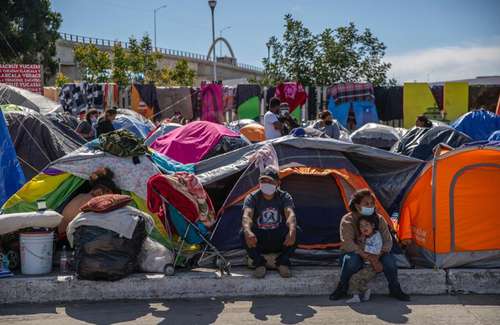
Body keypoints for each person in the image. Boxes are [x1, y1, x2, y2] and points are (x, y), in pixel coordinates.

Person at [329, 189, 410, 301]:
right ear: (357, 206)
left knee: (390, 262)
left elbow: (388, 241)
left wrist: (377, 255)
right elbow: (347, 242)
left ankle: (395, 289)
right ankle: (342, 287)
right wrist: (366, 255)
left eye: (372, 203)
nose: (370, 206)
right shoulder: (348, 219)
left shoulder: (379, 219)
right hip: (356, 253)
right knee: (351, 261)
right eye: (366, 204)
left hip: (377, 253)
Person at [242, 167, 297, 278]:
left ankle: (282, 262)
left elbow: (290, 214)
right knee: (243, 232)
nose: (266, 184)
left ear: (278, 183)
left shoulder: (284, 196)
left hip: (278, 238)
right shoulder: (252, 197)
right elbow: (246, 216)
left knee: (296, 230)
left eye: (270, 181)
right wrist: (248, 231)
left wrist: (292, 231)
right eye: (263, 181)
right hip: (260, 238)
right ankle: (259, 263)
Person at [58, 168, 119, 237]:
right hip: (67, 236)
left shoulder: (80, 195)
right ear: (100, 191)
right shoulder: (93, 203)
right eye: (108, 193)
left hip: (62, 232)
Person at [345, 214, 384, 303]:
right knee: (360, 280)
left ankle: (356, 297)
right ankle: (366, 290)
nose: (364, 228)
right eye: (361, 226)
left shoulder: (377, 236)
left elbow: (377, 250)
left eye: (366, 225)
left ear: (373, 226)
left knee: (354, 278)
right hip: (365, 264)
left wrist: (363, 247)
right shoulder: (365, 236)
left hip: (372, 266)